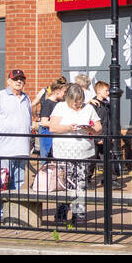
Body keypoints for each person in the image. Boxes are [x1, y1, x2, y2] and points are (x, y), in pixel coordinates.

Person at [49, 83, 102, 225]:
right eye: (75, 103)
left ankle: (79, 213)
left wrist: (89, 129)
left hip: (83, 152)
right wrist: (68, 127)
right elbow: (53, 127)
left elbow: (98, 128)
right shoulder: (60, 107)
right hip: (64, 152)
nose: (78, 106)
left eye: (80, 102)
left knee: (81, 183)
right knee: (65, 183)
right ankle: (61, 212)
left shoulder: (89, 108)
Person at [0, 69, 33, 223]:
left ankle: (14, 213)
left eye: (22, 79)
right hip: (4, 147)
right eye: (16, 79)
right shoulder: (0, 96)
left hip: (22, 148)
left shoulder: (26, 98)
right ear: (9, 81)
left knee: (18, 183)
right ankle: (1, 214)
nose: (19, 82)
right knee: (3, 183)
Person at [36, 77, 68, 161]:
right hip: (47, 135)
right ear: (57, 90)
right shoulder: (48, 103)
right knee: (47, 160)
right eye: (64, 92)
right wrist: (62, 125)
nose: (65, 94)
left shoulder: (60, 103)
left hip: (56, 135)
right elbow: (44, 122)